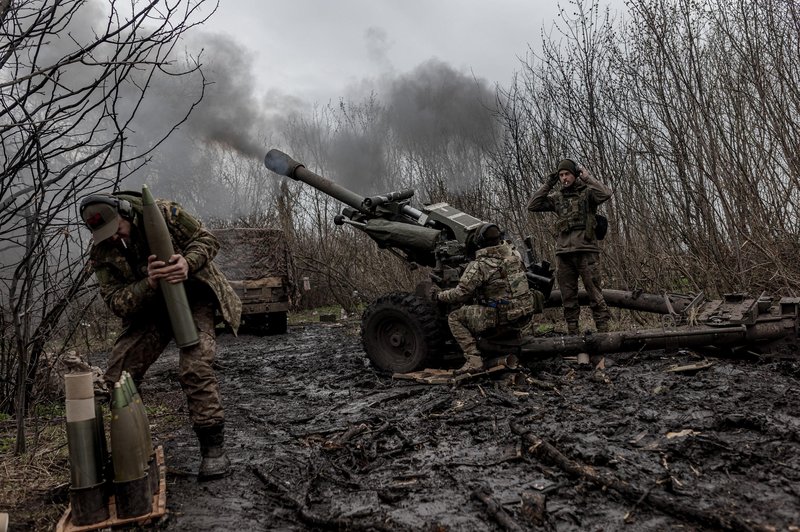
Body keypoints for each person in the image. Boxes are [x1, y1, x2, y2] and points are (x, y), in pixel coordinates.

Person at [79, 191, 242, 480]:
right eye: (107, 235)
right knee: (117, 377)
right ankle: (130, 453)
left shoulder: (166, 214)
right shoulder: (102, 252)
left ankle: (213, 450)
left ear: (125, 212)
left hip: (192, 298)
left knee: (195, 367)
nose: (115, 238)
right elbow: (116, 301)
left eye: (117, 230)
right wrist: (148, 283)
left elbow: (208, 240)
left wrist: (186, 263)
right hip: (150, 309)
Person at [436, 223, 540, 373]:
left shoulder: (480, 265)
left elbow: (460, 294)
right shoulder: (514, 255)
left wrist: (440, 296)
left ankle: (474, 360)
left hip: (502, 318)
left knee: (454, 317)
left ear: (479, 242)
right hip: (524, 314)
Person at [527, 158, 612, 335]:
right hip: (564, 253)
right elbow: (533, 205)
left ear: (575, 175)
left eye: (567, 174)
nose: (564, 178)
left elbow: (606, 194)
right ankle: (573, 333)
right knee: (568, 296)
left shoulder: (588, 193)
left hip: (586, 251)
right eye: (561, 175)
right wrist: (549, 183)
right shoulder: (557, 198)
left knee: (595, 293)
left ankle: (604, 333)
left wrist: (587, 178)